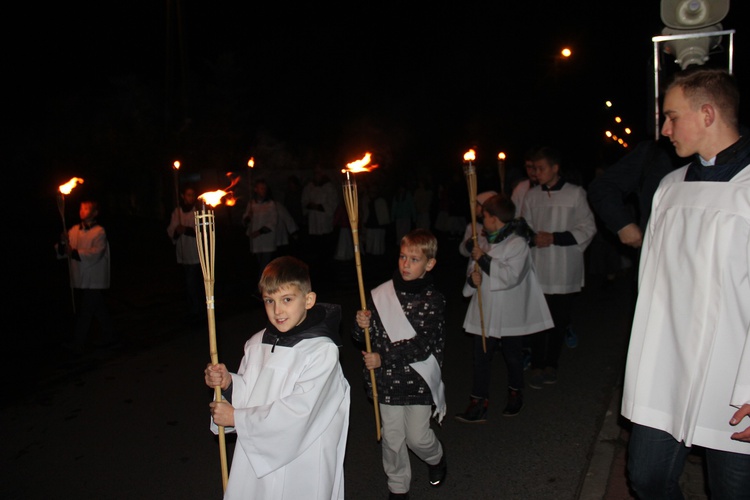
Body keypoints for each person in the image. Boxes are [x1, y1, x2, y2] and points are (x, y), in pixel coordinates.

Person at [621, 68, 750, 498]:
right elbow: (651, 284)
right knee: (646, 477)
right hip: (667, 368)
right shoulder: (669, 189)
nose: (664, 129)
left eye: (672, 117)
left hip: (733, 381)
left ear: (708, 113)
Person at [204, 256, 351, 499]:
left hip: (303, 456)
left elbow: (302, 410)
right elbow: (252, 390)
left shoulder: (322, 351)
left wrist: (237, 418)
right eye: (269, 301)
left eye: (287, 300)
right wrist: (229, 384)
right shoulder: (255, 344)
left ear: (309, 300)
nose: (277, 310)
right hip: (258, 452)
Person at [353, 229, 447, 499]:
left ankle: (436, 458)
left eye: (414, 260)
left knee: (417, 437)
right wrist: (362, 327)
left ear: (429, 264)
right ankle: (398, 487)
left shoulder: (434, 300)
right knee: (392, 438)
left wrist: (383, 357)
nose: (406, 264)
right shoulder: (381, 294)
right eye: (403, 257)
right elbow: (364, 339)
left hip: (418, 379)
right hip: (386, 380)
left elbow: (422, 344)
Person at [455, 194, 552, 422]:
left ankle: (515, 394)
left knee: (512, 356)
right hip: (485, 309)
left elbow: (511, 276)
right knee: (481, 357)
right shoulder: (484, 241)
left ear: (495, 219)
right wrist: (472, 280)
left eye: (485, 215)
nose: (482, 219)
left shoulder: (518, 243)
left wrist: (485, 260)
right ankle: (478, 402)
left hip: (509, 311)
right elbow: (472, 269)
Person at [520, 146, 596, 388]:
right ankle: (537, 365)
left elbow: (587, 227)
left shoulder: (575, 194)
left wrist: (555, 238)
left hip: (563, 267)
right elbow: (524, 227)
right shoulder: (531, 196)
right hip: (539, 267)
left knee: (557, 320)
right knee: (537, 320)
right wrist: (533, 238)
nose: (537, 173)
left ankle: (551, 364)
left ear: (555, 168)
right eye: (534, 168)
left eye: (541, 168)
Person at [56, 199, 118, 352]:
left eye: (86, 208)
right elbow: (63, 251)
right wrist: (63, 242)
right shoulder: (74, 230)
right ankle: (111, 336)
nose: (82, 211)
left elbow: (96, 253)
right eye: (81, 208)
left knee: (86, 310)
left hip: (94, 278)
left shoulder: (99, 231)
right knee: (98, 309)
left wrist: (75, 253)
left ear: (95, 213)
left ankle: (78, 343)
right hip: (82, 277)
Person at [166, 185, 205, 324]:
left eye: (193, 194)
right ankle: (194, 308)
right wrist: (177, 230)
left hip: (195, 253)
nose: (191, 197)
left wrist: (187, 230)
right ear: (183, 196)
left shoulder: (198, 211)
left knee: (192, 283)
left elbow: (202, 231)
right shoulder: (177, 212)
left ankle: (196, 310)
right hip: (183, 253)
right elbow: (171, 230)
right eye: (188, 194)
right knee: (189, 284)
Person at [242, 178, 278, 278]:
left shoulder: (270, 204)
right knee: (259, 264)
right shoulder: (251, 204)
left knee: (265, 265)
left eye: (264, 188)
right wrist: (248, 217)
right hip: (256, 241)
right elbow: (246, 220)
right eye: (261, 188)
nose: (263, 190)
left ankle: (260, 287)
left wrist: (260, 231)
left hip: (267, 239)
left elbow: (272, 222)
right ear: (256, 189)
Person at [510, 148, 540, 218]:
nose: (532, 171)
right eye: (528, 167)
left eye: (535, 167)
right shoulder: (521, 187)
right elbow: (515, 213)